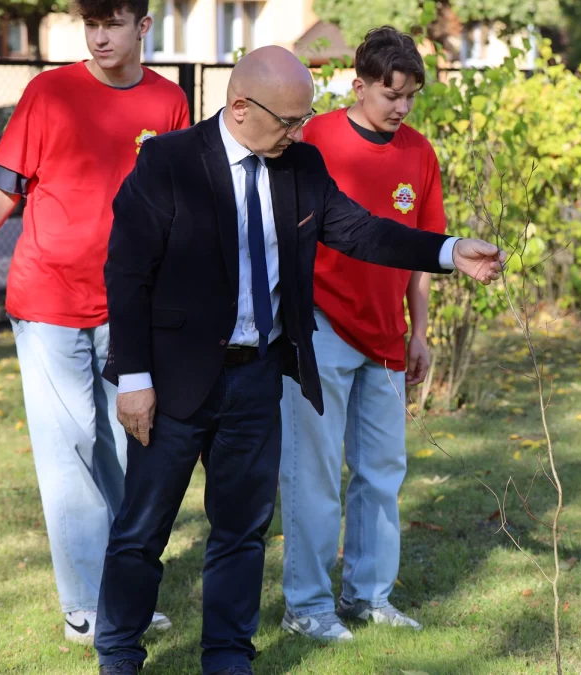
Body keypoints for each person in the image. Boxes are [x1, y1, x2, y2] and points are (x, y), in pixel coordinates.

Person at [94, 46, 504, 675]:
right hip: (173, 380)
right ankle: (119, 654)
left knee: (242, 531)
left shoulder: (300, 164)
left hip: (258, 376)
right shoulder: (169, 162)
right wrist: (135, 379)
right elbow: (127, 274)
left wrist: (449, 251)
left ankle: (228, 657)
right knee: (142, 531)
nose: (298, 132)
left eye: (302, 119)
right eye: (288, 121)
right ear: (239, 107)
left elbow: (362, 230)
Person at [0, 0, 188, 645]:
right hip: (49, 300)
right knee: (70, 453)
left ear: (142, 27)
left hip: (133, 308)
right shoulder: (48, 93)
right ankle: (86, 607)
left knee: (130, 449)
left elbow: (182, 209)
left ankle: (127, 593)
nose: (99, 36)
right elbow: (1, 190)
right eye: (90, 24)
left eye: (112, 23)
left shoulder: (170, 104)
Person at [276, 25, 439, 643]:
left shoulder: (419, 154)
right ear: (359, 85)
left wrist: (419, 330)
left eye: (410, 97)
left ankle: (368, 596)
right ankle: (308, 604)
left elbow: (424, 250)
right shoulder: (314, 139)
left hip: (387, 335)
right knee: (313, 471)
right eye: (390, 95)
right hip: (319, 325)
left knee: (381, 471)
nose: (400, 108)